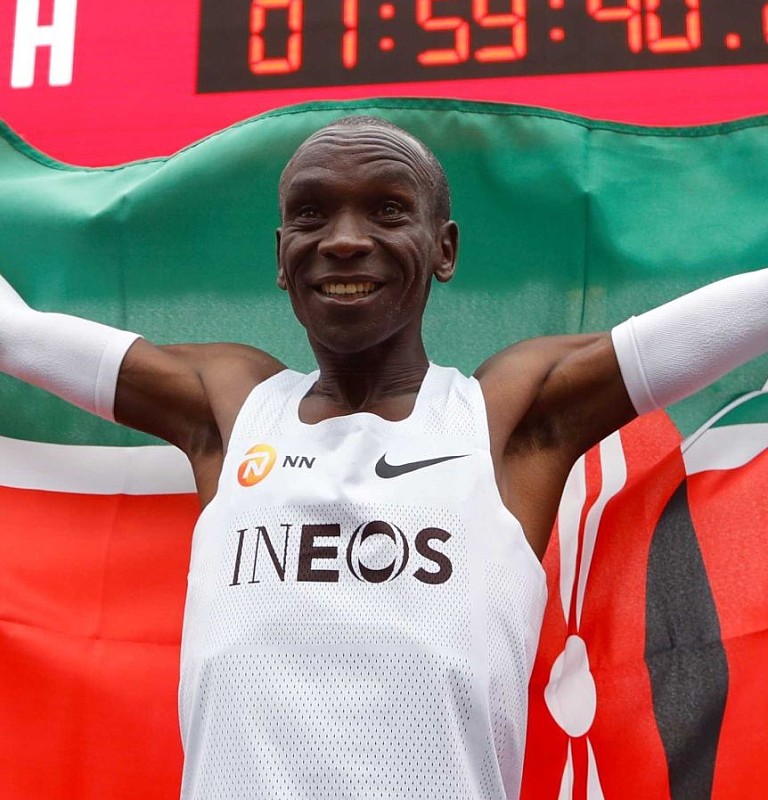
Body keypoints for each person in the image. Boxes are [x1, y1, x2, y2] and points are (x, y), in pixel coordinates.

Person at [1, 115, 767, 800]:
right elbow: (17, 334)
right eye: (310, 213)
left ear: (444, 248)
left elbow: (728, 322)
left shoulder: (506, 419)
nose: (343, 238)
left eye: (388, 209)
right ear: (281, 257)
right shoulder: (230, 408)